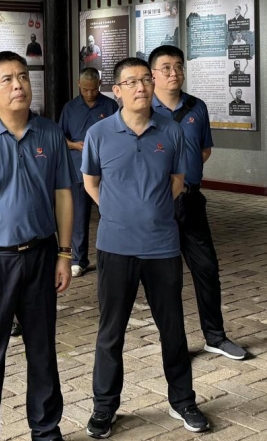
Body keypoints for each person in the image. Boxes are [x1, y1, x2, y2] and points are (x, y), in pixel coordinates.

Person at [0, 51, 76, 441]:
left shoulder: (50, 133)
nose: (18, 84)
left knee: (42, 349)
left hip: (41, 256)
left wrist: (65, 253)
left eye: (23, 76)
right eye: (7, 79)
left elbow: (63, 195)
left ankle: (46, 430)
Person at [82, 57, 210, 439]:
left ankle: (182, 400)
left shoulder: (172, 131)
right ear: (117, 91)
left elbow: (177, 180)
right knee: (111, 332)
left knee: (173, 328)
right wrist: (117, 211)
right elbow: (91, 182)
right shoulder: (99, 133)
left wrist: (151, 212)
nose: (140, 87)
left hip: (162, 246)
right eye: (131, 82)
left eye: (145, 80)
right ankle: (104, 407)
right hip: (115, 246)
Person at [150, 45, 247, 361]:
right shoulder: (143, 108)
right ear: (153, 74)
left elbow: (204, 150)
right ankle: (174, 344)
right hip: (158, 205)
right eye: (166, 67)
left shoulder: (197, 107)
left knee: (206, 269)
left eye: (179, 66)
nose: (174, 73)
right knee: (167, 277)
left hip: (191, 200)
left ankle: (215, 337)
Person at [58, 67, 118, 278]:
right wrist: (75, 145)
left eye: (93, 89)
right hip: (79, 169)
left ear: (99, 85)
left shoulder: (110, 106)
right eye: (85, 89)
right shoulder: (70, 108)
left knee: (109, 214)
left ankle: (112, 257)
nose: (90, 93)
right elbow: (60, 137)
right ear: (79, 85)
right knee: (79, 216)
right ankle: (78, 260)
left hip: (106, 170)